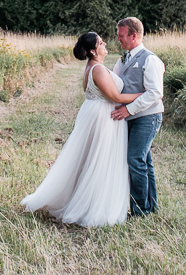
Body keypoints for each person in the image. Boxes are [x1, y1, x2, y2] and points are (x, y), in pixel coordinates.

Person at [21, 31, 143, 227]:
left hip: (97, 114)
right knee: (99, 160)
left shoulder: (94, 67)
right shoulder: (98, 70)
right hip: (103, 118)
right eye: (101, 43)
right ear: (94, 51)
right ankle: (92, 207)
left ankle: (85, 199)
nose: (105, 45)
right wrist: (144, 94)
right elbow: (116, 98)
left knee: (91, 159)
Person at [110, 16, 165, 217]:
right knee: (143, 160)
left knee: (135, 159)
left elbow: (155, 93)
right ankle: (150, 207)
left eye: (121, 35)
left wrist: (128, 109)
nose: (118, 39)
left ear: (134, 35)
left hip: (148, 117)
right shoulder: (123, 58)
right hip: (132, 118)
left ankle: (140, 211)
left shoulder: (150, 59)